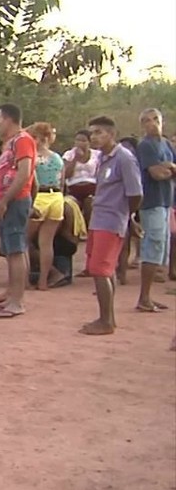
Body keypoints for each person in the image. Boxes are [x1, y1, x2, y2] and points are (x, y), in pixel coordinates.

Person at [80, 116, 143, 336]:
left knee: (99, 270)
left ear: (111, 134)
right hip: (100, 218)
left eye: (99, 132)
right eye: (92, 133)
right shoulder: (103, 158)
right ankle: (107, 318)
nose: (94, 137)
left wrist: (128, 216)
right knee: (105, 270)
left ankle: (106, 321)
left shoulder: (124, 158)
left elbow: (135, 193)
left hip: (112, 220)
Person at [0, 104, 36, 319]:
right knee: (12, 249)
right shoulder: (10, 144)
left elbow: (25, 173)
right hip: (8, 201)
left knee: (15, 251)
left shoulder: (23, 140)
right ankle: (12, 295)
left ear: (8, 119)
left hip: (14, 201)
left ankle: (17, 301)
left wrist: (5, 200)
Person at [134, 108, 176, 312]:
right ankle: (144, 297)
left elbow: (168, 170)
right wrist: (167, 168)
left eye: (155, 119)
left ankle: (149, 296)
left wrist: (169, 167)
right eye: (147, 120)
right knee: (154, 244)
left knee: (161, 247)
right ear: (142, 125)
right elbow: (157, 173)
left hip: (166, 200)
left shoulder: (166, 144)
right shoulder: (145, 146)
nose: (152, 123)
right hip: (152, 201)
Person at [25, 122, 65, 291]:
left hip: (39, 197)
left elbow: (29, 180)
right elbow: (62, 183)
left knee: (23, 240)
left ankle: (24, 279)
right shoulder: (57, 158)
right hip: (56, 197)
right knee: (46, 243)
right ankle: (43, 281)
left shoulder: (33, 157)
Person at [29, 195, 85, 289]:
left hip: (64, 242)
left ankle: (54, 273)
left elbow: (53, 232)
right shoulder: (68, 200)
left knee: (24, 245)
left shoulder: (60, 204)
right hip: (68, 241)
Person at [62, 129, 100, 226]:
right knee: (70, 205)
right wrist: (75, 159)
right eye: (77, 140)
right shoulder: (69, 154)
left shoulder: (97, 155)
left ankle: (90, 229)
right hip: (74, 189)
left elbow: (99, 174)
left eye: (83, 141)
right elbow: (66, 175)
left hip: (92, 188)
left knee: (90, 202)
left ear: (89, 142)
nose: (79, 143)